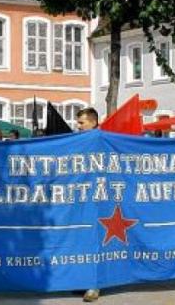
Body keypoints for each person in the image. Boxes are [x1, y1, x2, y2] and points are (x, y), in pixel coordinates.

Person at [75, 107, 101, 302]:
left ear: (93, 122)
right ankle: (82, 281)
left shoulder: (103, 140)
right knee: (82, 243)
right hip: (81, 201)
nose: (78, 126)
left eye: (82, 123)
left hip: (99, 203)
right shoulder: (78, 141)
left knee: (95, 243)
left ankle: (94, 285)